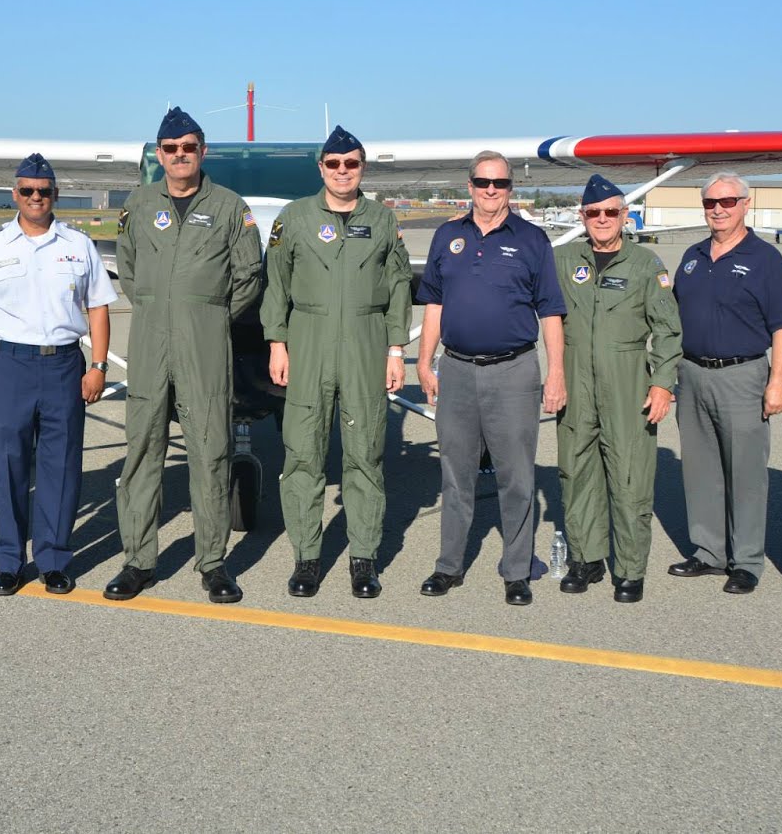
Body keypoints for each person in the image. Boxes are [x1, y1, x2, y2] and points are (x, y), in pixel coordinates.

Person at [106, 109, 262, 605]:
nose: (180, 156)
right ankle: (138, 561)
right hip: (150, 340)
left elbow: (249, 276)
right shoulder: (138, 204)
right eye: (171, 149)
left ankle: (212, 563)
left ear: (202, 151)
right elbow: (128, 269)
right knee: (142, 448)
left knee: (211, 449)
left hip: (205, 341)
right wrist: (159, 306)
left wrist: (208, 313)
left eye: (188, 147)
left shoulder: (230, 207)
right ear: (159, 154)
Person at [262, 125, 413, 598]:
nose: (342, 171)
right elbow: (276, 284)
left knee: (365, 453)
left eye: (351, 163)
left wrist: (395, 350)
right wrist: (277, 343)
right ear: (321, 168)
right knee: (303, 453)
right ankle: (306, 558)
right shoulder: (295, 218)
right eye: (333, 163)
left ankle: (363, 558)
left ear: (362, 168)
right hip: (308, 340)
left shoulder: (382, 220)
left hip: (366, 342)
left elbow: (399, 287)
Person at [414, 152, 565, 606]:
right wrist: (424, 361)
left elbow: (550, 310)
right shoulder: (448, 236)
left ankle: (516, 571)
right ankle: (448, 566)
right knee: (455, 473)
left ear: (511, 188)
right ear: (470, 186)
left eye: (499, 183)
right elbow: (434, 302)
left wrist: (556, 373)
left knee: (516, 476)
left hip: (513, 371)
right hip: (457, 368)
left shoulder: (532, 239)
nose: (491, 190)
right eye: (483, 182)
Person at [0, 154, 116, 596]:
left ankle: (53, 560)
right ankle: (10, 561)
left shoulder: (78, 245)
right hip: (8, 365)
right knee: (8, 465)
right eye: (28, 190)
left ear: (55, 195)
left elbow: (98, 307)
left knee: (62, 466)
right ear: (15, 194)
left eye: (44, 191)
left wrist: (99, 366)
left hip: (63, 366)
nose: (36, 197)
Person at [552, 174, 682, 603]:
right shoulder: (564, 259)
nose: (602, 219)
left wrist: (662, 384)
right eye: (594, 213)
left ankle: (629, 569)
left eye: (611, 211)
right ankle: (585, 558)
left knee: (629, 475)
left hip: (627, 379)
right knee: (577, 470)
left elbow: (668, 330)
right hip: (576, 378)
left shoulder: (645, 265)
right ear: (582, 216)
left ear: (625, 216)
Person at [669, 172, 782, 595]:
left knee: (745, 472)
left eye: (727, 201)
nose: (718, 210)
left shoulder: (765, 259)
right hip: (692, 374)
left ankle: (746, 561)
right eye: (710, 203)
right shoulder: (692, 256)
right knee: (700, 468)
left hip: (742, 376)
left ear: (746, 203)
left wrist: (778, 383)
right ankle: (709, 552)